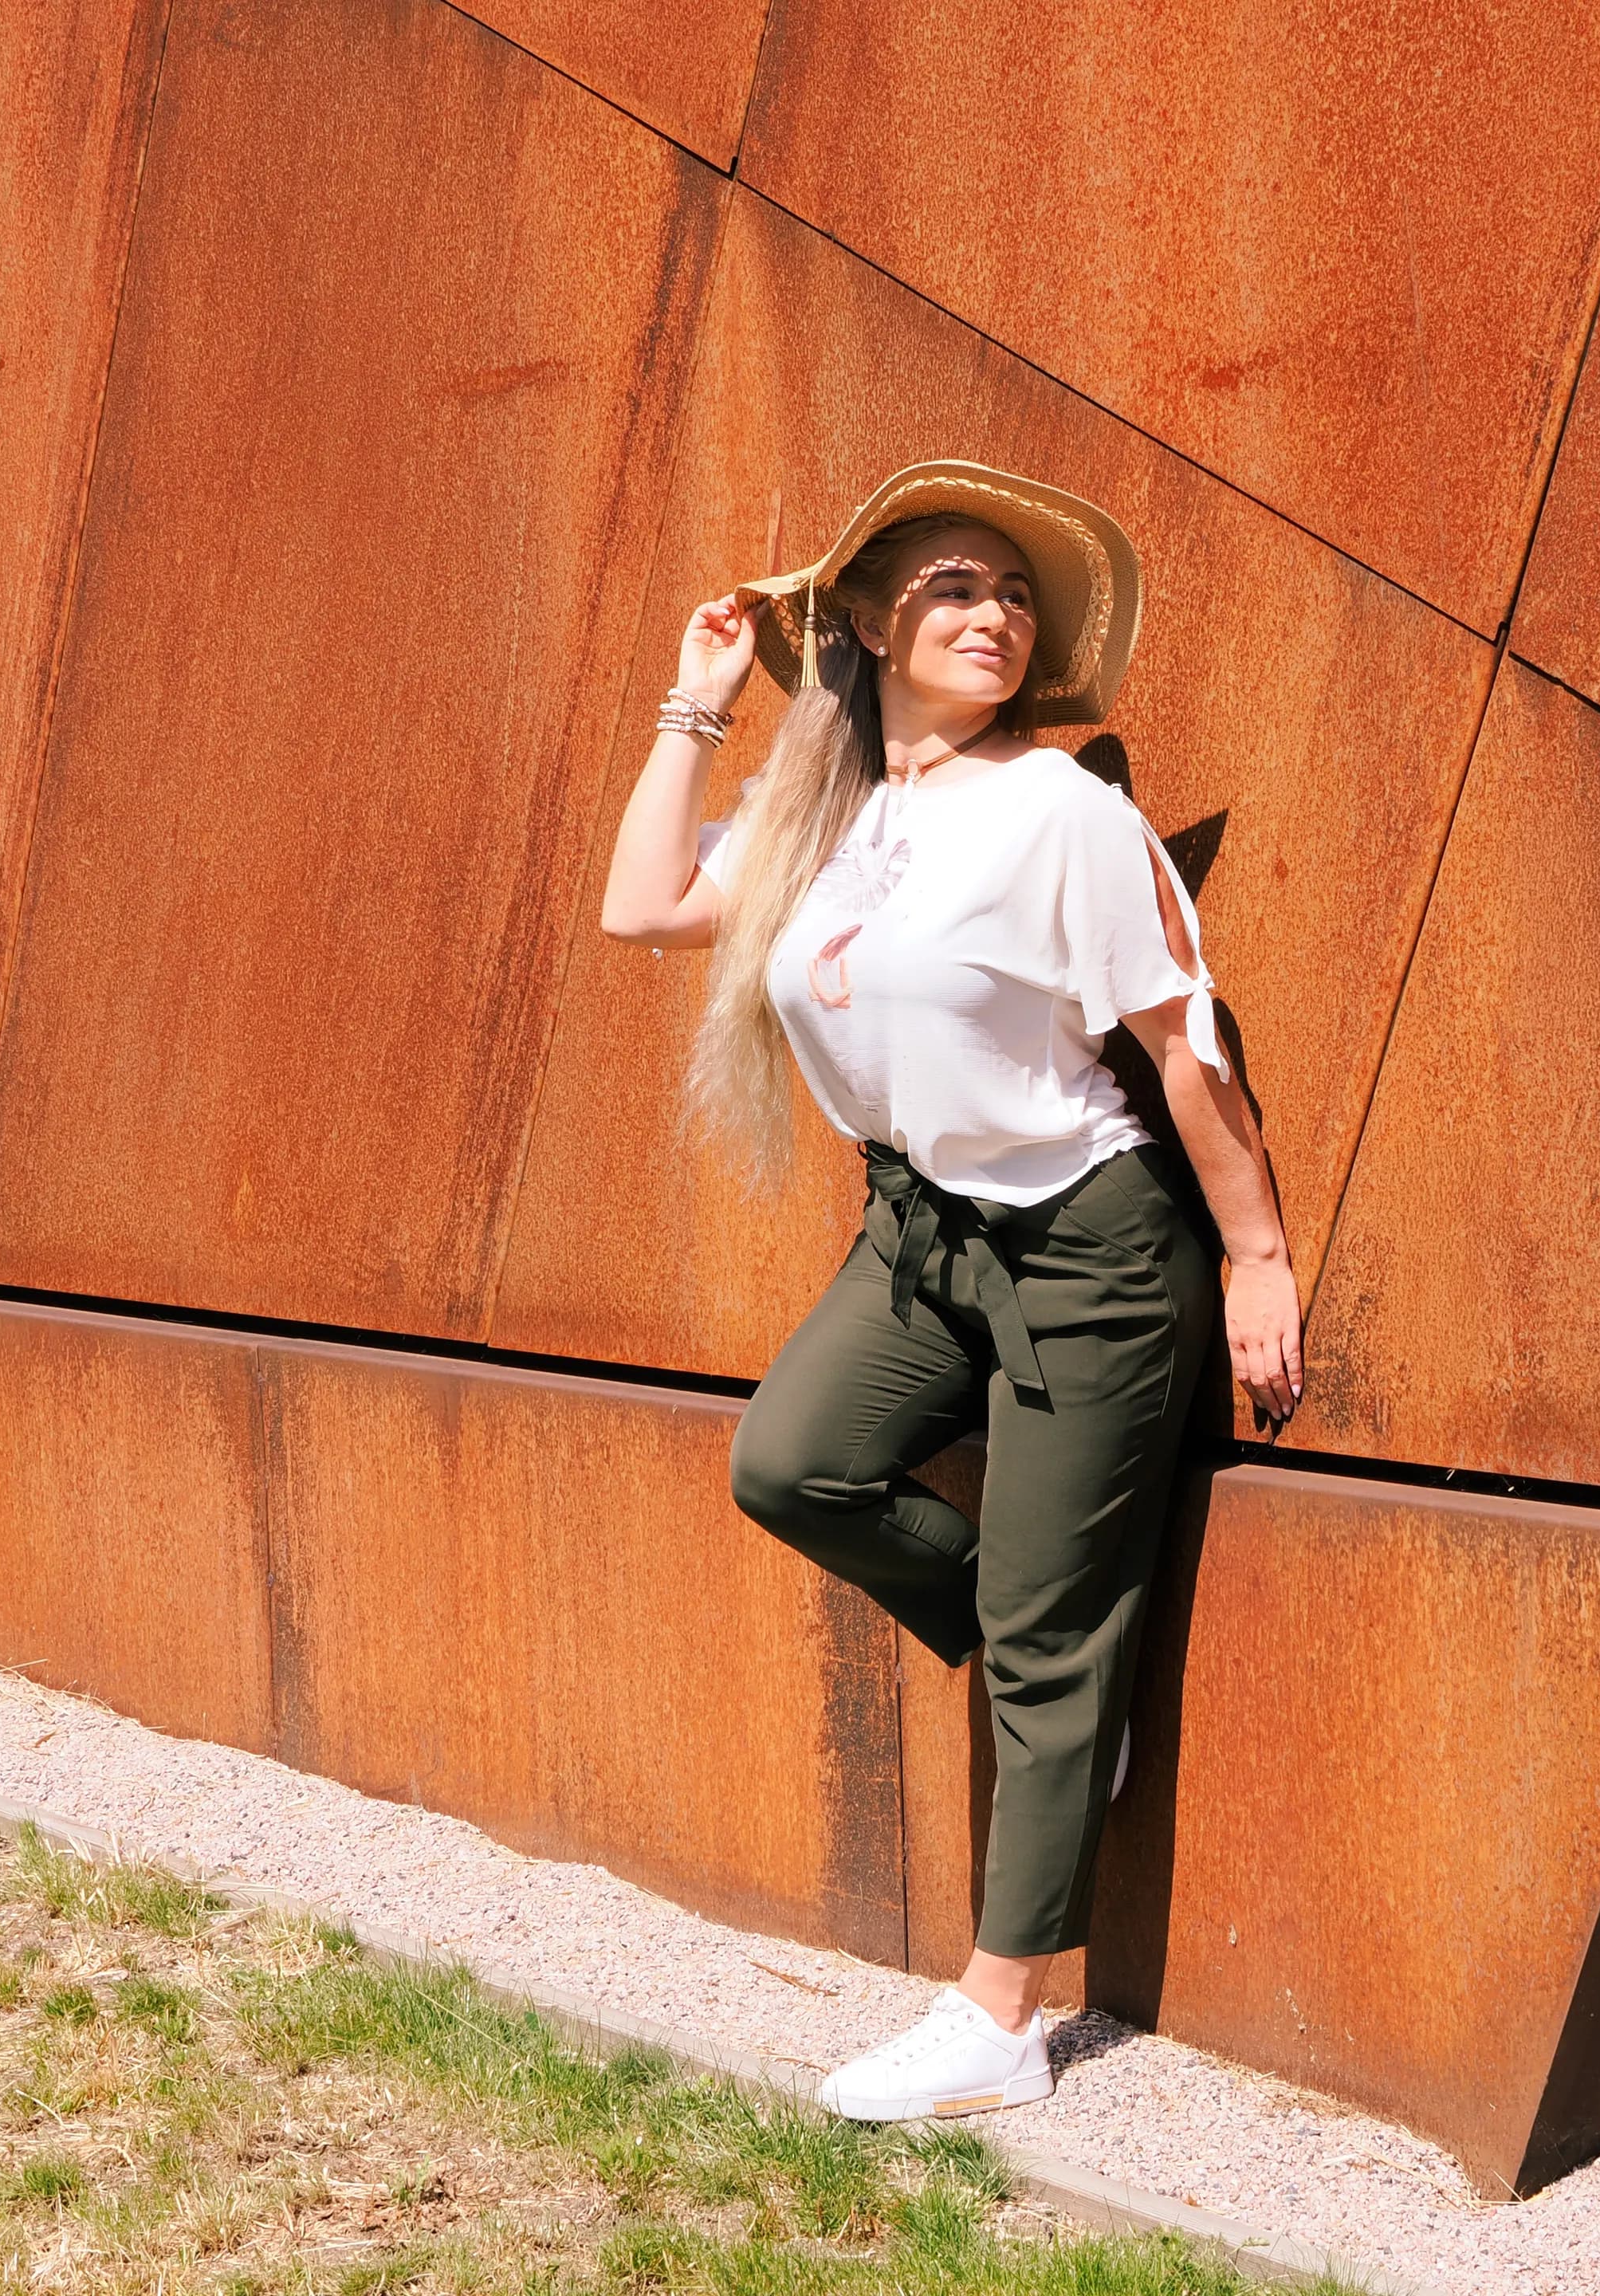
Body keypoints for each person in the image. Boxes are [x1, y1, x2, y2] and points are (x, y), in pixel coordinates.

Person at [598, 462, 1302, 2120]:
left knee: (1049, 1639)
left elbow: (1181, 1042)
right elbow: (643, 909)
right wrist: (697, 707)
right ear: (865, 622)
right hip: (916, 1234)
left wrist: (1258, 1255)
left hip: (1086, 1243)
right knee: (793, 1465)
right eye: (955, 588)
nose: (995, 615)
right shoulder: (823, 820)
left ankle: (1001, 2026)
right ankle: (1050, 1671)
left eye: (1014, 595)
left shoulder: (1057, 809)